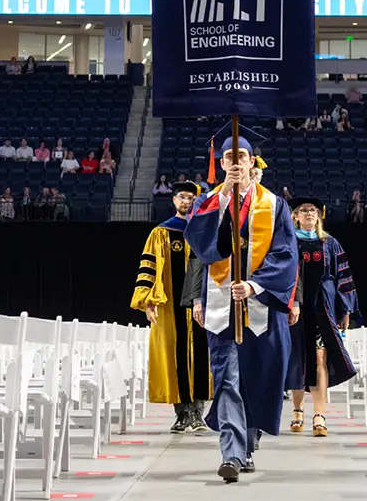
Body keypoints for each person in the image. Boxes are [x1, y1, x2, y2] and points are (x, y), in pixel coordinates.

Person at [185, 134, 296, 482]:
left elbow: (286, 254)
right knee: (227, 380)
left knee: (256, 378)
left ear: (252, 162)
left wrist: (254, 285)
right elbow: (201, 248)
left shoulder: (274, 204)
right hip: (221, 304)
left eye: (242, 156)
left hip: (259, 303)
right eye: (229, 156)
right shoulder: (208, 202)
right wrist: (200, 298)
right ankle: (231, 454)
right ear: (222, 164)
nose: (236, 162)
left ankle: (247, 443)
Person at [132, 182, 212, 433]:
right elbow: (149, 267)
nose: (186, 201)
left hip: (203, 304)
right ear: (174, 200)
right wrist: (147, 300)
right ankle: (181, 414)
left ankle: (198, 413)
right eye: (182, 197)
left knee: (202, 355)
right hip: (171, 304)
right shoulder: (161, 232)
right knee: (175, 356)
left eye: (191, 197)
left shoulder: (205, 231)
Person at [284, 196, 357, 438]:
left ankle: (319, 414)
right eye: (303, 210)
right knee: (297, 358)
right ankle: (296, 411)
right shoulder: (287, 242)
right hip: (294, 309)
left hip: (323, 309)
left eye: (313, 210)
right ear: (295, 216)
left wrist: (345, 308)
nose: (309, 214)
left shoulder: (330, 243)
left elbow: (343, 278)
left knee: (320, 358)